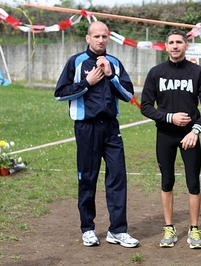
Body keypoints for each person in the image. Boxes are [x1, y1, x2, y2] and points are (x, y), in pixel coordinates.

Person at [54, 21, 139, 248]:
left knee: (118, 177)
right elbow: (60, 94)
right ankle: (88, 229)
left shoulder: (115, 63)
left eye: (104, 36)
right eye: (96, 36)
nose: (100, 40)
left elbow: (128, 94)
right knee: (88, 178)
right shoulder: (76, 62)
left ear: (108, 38)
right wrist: (86, 83)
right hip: (86, 128)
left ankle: (118, 230)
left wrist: (110, 75)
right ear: (87, 38)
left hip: (111, 128)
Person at [140, 29, 201, 249]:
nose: (175, 46)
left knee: (193, 182)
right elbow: (145, 106)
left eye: (179, 42)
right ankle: (169, 229)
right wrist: (169, 117)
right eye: (171, 42)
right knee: (167, 181)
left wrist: (196, 131)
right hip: (165, 134)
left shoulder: (197, 72)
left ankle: (194, 230)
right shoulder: (156, 72)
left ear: (186, 46)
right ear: (165, 46)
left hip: (190, 136)